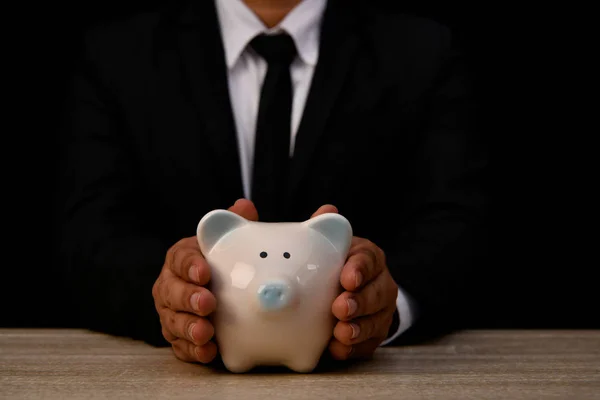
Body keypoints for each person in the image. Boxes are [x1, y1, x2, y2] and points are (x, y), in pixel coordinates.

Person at [56, 0, 488, 366]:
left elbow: (456, 221)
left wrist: (385, 307)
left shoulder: (423, 51)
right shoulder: (117, 55)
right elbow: (91, 231)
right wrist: (172, 298)